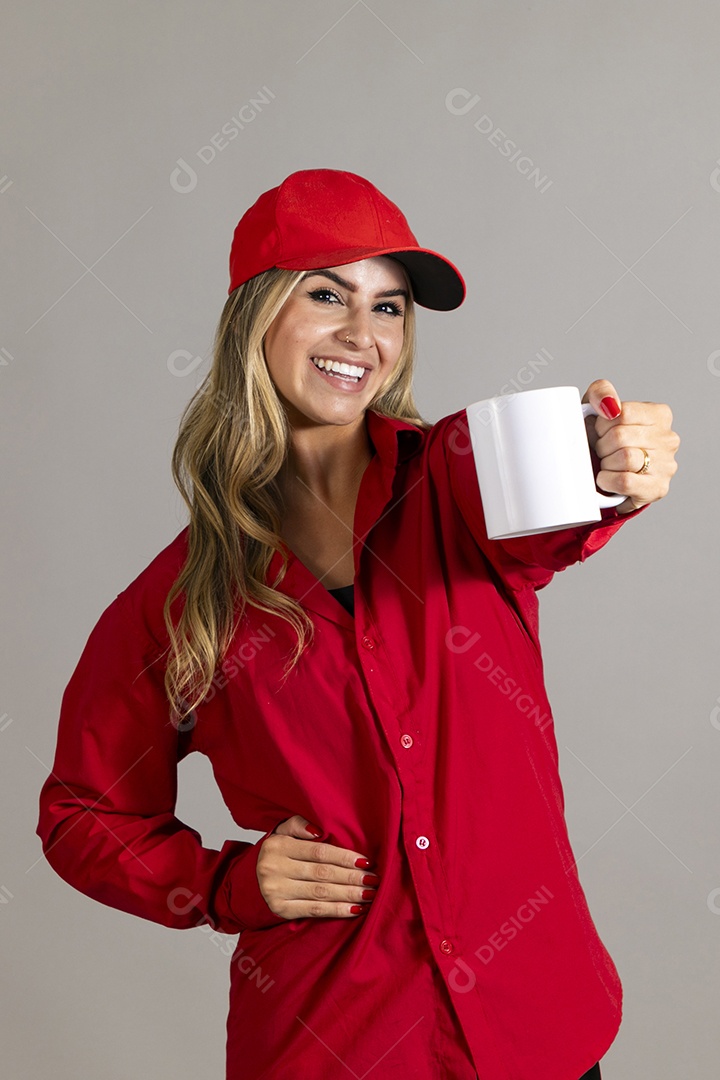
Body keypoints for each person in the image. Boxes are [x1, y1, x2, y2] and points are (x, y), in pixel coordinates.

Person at [36, 168, 680, 1080]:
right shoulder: (180, 601)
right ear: (255, 317)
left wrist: (613, 469)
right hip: (334, 1044)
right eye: (327, 294)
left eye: (389, 308)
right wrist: (228, 884)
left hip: (536, 1029)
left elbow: (558, 508)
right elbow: (83, 815)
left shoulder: (459, 479)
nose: (361, 335)